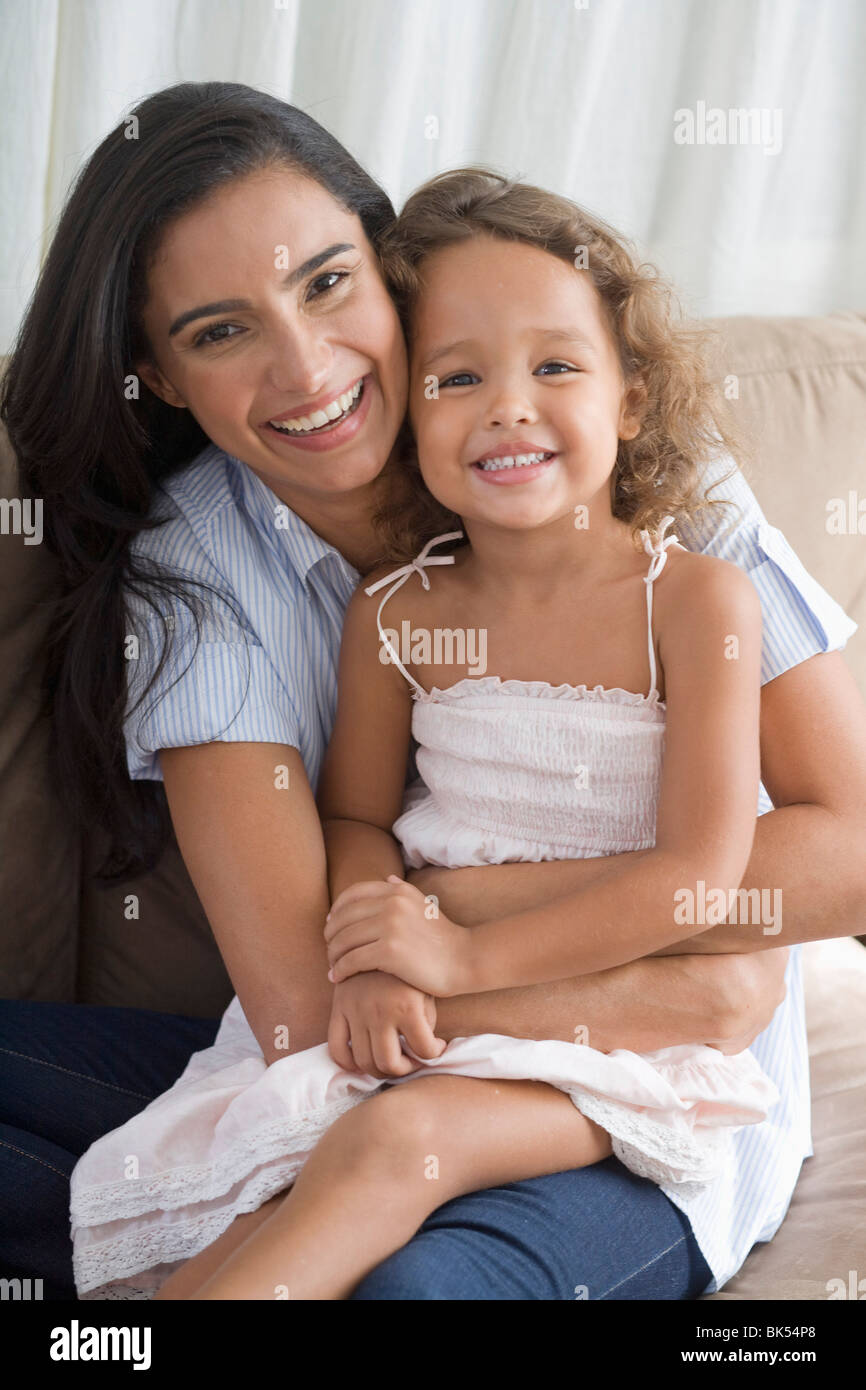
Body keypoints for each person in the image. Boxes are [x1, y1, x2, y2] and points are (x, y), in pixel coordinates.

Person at [1, 83, 863, 1302]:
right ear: (164, 375)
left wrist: (459, 912)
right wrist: (671, 973)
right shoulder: (258, 583)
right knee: (348, 1170)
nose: (306, 367)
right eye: (219, 330)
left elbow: (846, 852)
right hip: (368, 1050)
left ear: (388, 275)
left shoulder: (650, 496)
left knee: (410, 1280)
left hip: (641, 1108)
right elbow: (311, 1013)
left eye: (325, 283)